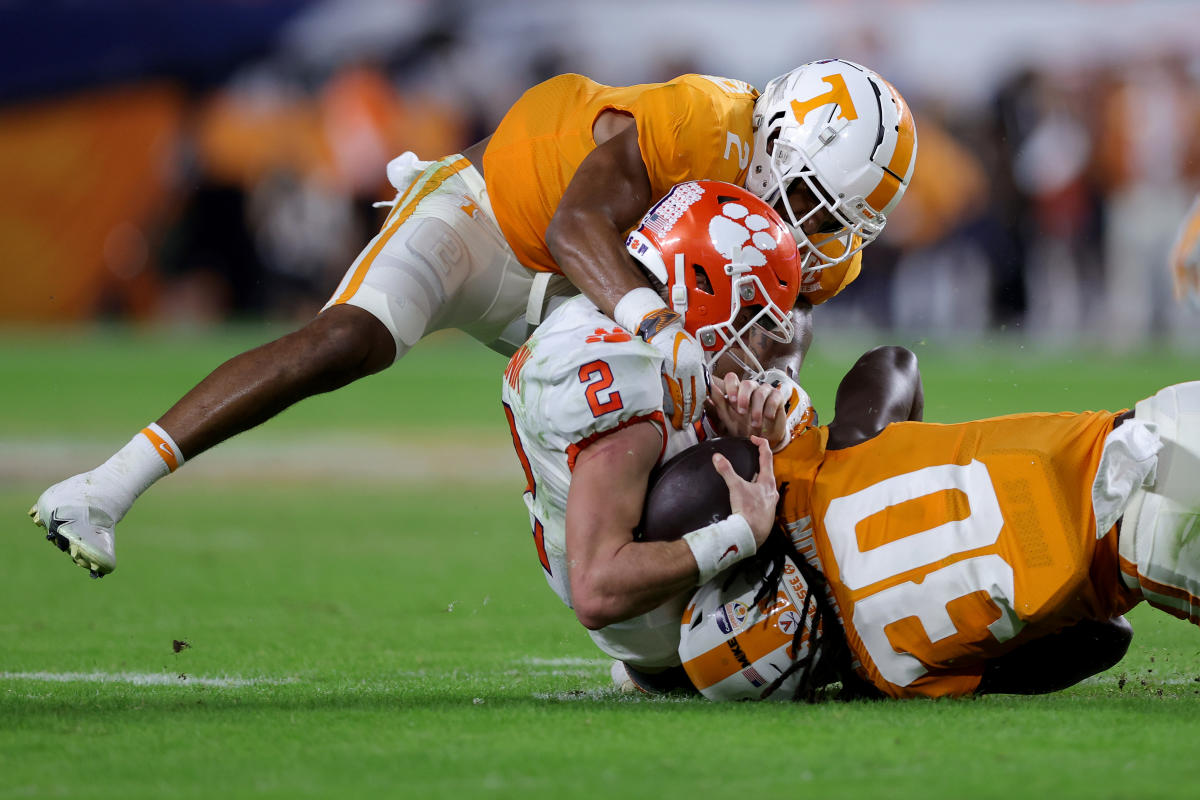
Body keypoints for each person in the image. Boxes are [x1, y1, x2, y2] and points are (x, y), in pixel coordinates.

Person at [32, 59, 916, 578]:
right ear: (780, 139)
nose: (818, 231)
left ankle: (651, 632)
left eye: (840, 218)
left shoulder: (827, 242)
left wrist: (768, 389)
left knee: (686, 434)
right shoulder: (699, 120)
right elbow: (577, 225)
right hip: (491, 220)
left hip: (583, 307)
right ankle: (103, 487)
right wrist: (660, 331)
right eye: (810, 198)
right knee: (347, 340)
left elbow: (772, 332)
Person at [675, 346, 1192, 701]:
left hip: (1149, 555)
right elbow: (893, 360)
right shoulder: (807, 481)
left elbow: (1105, 640)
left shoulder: (892, 674)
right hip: (1160, 428)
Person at [503, 180, 823, 690]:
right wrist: (740, 534)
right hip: (656, 625)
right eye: (747, 314)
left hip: (636, 575)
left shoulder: (609, 317)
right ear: (699, 284)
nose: (749, 335)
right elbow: (596, 590)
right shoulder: (625, 385)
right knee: (753, 469)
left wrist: (736, 425)